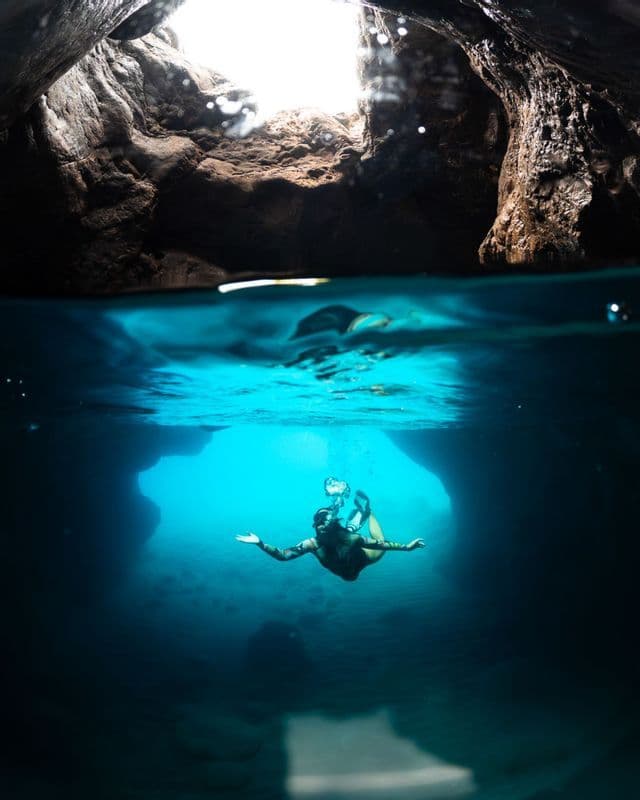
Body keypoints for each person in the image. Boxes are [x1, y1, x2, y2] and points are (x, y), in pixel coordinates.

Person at [235, 477, 425, 582]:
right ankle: (357, 518)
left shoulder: (345, 539)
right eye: (321, 523)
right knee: (357, 535)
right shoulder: (313, 544)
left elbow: (382, 543)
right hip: (353, 556)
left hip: (362, 559)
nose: (323, 525)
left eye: (327, 522)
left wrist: (407, 548)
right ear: (316, 526)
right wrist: (259, 543)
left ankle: (368, 512)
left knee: (376, 542)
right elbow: (283, 556)